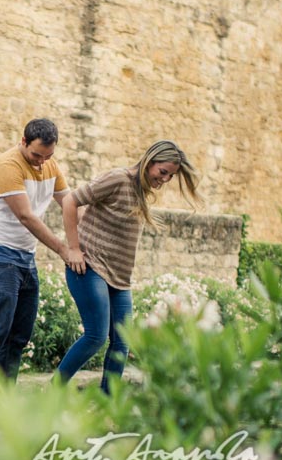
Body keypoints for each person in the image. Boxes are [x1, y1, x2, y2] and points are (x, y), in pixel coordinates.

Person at [55, 140, 201, 393]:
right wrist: (74, 248)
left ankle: (108, 403)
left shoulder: (141, 191)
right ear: (150, 160)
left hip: (119, 280)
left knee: (122, 342)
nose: (164, 179)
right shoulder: (117, 179)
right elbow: (70, 201)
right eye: (163, 172)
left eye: (171, 176)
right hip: (89, 268)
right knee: (96, 336)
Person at [0, 118, 85, 398]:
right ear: (23, 141)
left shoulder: (49, 165)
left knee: (19, 334)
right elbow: (26, 216)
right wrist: (64, 249)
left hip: (25, 256)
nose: (41, 162)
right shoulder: (7, 165)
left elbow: (70, 204)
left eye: (48, 156)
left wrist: (88, 239)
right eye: (36, 155)